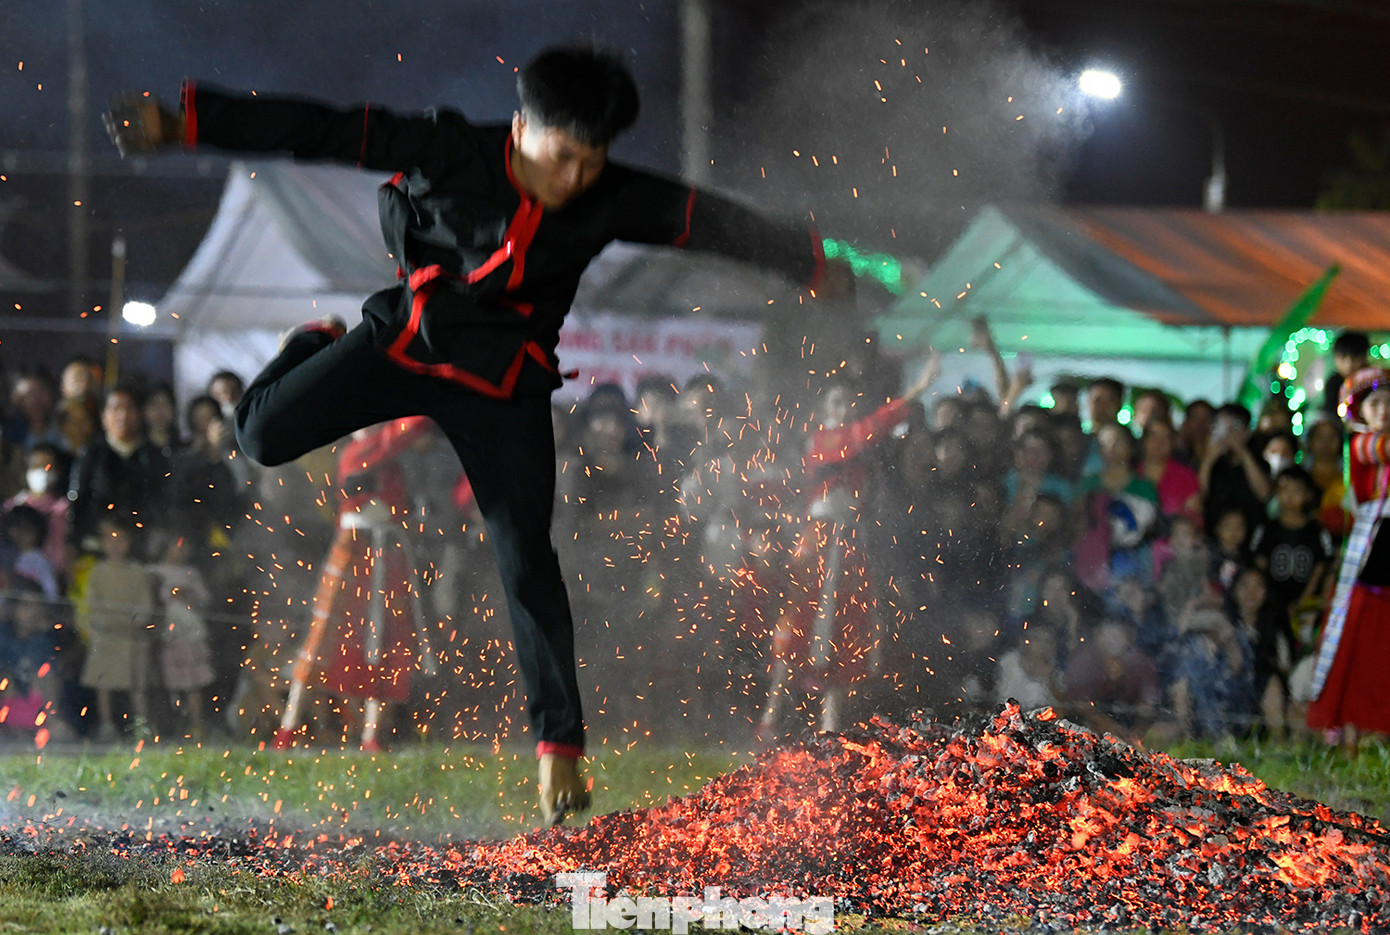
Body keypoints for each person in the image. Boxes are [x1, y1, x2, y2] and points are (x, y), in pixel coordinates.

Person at [104, 45, 847, 823]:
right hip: (406, 346)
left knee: (527, 559)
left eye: (590, 165)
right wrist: (186, 122)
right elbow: (319, 129)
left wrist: (811, 263)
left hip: (503, 388)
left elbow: (709, 222)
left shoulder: (610, 196)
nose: (573, 182)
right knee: (258, 434)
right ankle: (313, 341)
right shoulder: (448, 148)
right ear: (523, 127)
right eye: (561, 158)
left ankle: (559, 750)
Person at [1306, 367, 1390, 750]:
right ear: (1361, 411)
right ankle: (1350, 727)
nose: (1384, 411)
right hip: (1370, 557)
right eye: (1376, 403)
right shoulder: (1360, 446)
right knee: (1358, 651)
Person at [77, 517, 155, 741]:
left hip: (132, 637)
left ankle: (142, 725)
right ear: (102, 544)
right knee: (104, 684)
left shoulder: (138, 571)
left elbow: (145, 604)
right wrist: (107, 624)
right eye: (110, 540)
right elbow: (92, 603)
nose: (115, 545)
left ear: (128, 542)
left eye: (120, 539)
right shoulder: (98, 571)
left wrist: (135, 623)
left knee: (137, 684)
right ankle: (106, 724)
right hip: (107, 636)